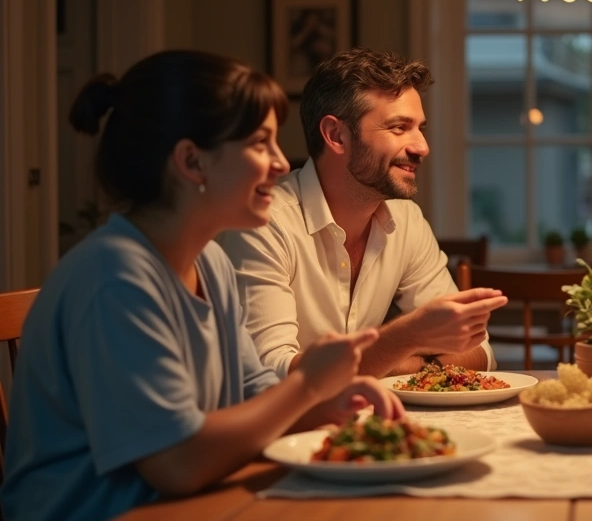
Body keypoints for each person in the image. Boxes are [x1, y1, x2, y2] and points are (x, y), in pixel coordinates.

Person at [1, 51, 406, 521]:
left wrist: (331, 401)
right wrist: (309, 385)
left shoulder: (208, 261)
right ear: (191, 161)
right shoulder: (114, 277)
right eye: (260, 142)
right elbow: (176, 463)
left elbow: (256, 402)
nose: (280, 163)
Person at [218, 48, 506, 379]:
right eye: (399, 127)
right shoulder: (265, 224)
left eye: (420, 128)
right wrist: (402, 341)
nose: (421, 146)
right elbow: (272, 373)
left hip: (369, 421)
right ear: (336, 136)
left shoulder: (406, 221)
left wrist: (402, 363)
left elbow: (479, 350)